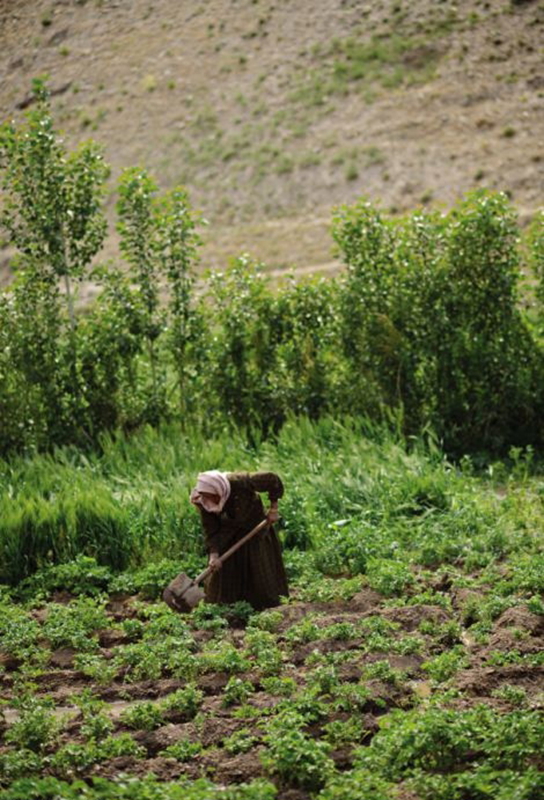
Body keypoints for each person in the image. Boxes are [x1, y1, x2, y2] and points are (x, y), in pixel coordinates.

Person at [190, 470, 289, 609]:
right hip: (228, 533)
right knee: (223, 578)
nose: (210, 501)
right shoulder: (203, 500)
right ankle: (227, 607)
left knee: (258, 569)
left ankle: (262, 606)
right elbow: (210, 529)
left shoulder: (239, 482)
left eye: (213, 497)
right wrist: (214, 554)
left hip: (254, 527)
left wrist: (273, 509)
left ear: (219, 490)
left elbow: (272, 479)